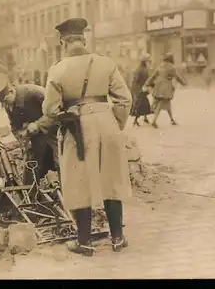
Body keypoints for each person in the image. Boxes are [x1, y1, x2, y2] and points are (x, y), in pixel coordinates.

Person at [42, 18, 132, 256]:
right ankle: (118, 239)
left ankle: (85, 243)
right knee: (111, 179)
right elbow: (124, 100)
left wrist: (68, 114)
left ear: (63, 43)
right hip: (107, 122)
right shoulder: (106, 63)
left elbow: (49, 110)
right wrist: (115, 123)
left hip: (78, 127)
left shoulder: (58, 69)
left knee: (79, 180)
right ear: (84, 39)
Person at [0, 73, 60, 184]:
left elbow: (57, 110)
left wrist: (38, 124)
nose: (4, 105)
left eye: (4, 101)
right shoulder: (8, 104)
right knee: (30, 169)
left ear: (11, 91)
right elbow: (15, 127)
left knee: (61, 165)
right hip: (36, 137)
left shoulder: (35, 93)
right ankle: (33, 195)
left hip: (56, 132)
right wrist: (22, 139)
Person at [143, 53, 187, 128]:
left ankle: (172, 120)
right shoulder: (172, 67)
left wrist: (147, 83)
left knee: (167, 105)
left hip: (158, 87)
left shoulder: (160, 65)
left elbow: (153, 76)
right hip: (165, 88)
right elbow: (177, 77)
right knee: (160, 105)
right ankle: (154, 121)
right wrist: (184, 83)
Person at [130, 56, 152, 127]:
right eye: (148, 61)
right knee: (141, 104)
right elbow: (147, 80)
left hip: (137, 89)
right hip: (140, 89)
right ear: (145, 62)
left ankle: (145, 118)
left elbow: (135, 79)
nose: (149, 63)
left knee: (145, 103)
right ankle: (135, 121)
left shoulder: (138, 69)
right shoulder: (144, 70)